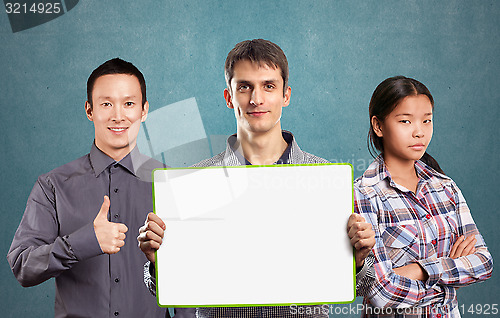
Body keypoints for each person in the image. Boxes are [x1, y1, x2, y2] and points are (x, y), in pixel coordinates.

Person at [138, 39, 376, 318]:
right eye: (244, 87)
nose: (256, 99)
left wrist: (358, 260)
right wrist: (159, 262)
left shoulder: (325, 179)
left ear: (286, 95)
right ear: (229, 97)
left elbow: (363, 286)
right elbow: (166, 288)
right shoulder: (195, 183)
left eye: (269, 86)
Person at [7, 58, 170, 317]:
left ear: (144, 110)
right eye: (106, 104)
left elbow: (192, 277)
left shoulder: (170, 183)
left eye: (129, 103)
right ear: (89, 110)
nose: (118, 116)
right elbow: (22, 266)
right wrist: (84, 242)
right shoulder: (52, 186)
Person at [354, 76, 493, 317]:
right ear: (378, 126)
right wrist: (447, 281)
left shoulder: (445, 187)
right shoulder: (364, 194)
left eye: (427, 121)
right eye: (405, 121)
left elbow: (483, 262)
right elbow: (380, 293)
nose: (419, 132)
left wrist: (420, 270)